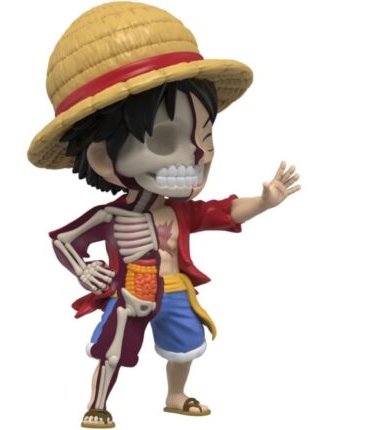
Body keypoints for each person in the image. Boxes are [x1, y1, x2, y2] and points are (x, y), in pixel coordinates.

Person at [28, 3, 300, 428]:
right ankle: (98, 403)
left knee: (185, 346)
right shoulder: (109, 216)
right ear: (101, 157)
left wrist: (264, 202)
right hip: (130, 294)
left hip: (175, 290)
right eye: (163, 138)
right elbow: (63, 239)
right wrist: (84, 270)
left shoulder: (180, 210)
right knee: (112, 352)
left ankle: (175, 395)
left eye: (204, 135)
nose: (197, 154)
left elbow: (222, 212)